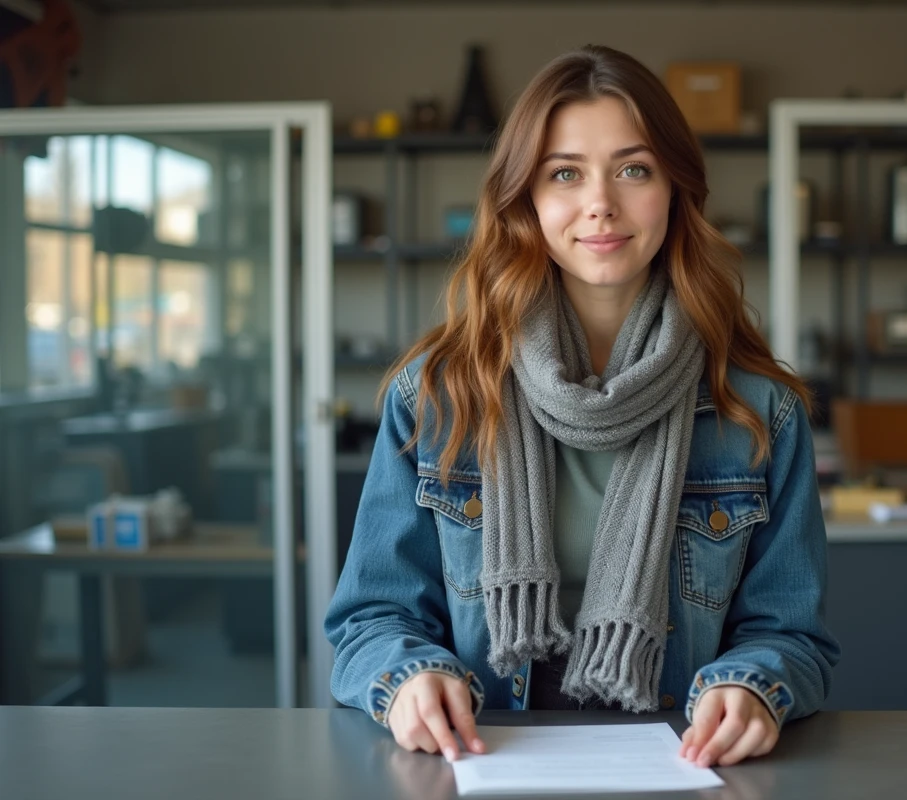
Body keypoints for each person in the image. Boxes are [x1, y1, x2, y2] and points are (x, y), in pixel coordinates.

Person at [325, 44, 839, 769]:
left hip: (685, 766)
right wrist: (409, 676)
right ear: (526, 197)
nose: (601, 202)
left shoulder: (759, 411)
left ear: (675, 189)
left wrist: (755, 685)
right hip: (486, 760)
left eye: (634, 169)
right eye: (564, 173)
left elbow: (794, 635)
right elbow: (370, 619)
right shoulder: (438, 397)